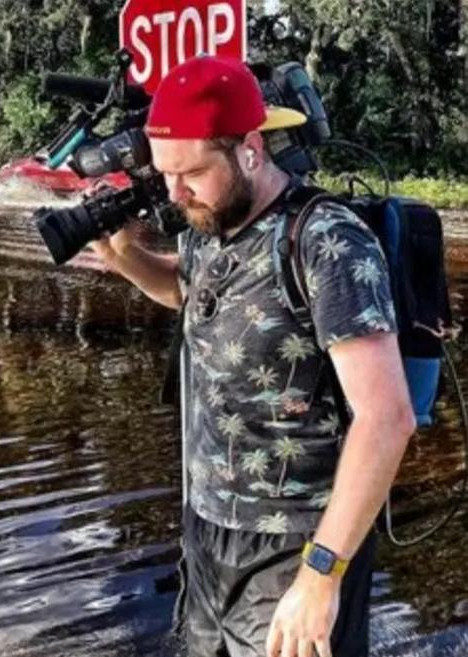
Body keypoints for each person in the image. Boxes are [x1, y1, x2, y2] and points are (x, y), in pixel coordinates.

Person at [91, 55, 416, 657]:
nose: (174, 191)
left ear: (249, 149)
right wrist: (125, 259)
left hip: (296, 540)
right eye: (164, 174)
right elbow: (195, 297)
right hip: (208, 527)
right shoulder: (205, 225)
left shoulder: (328, 243)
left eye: (190, 173)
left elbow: (387, 417)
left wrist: (321, 575)